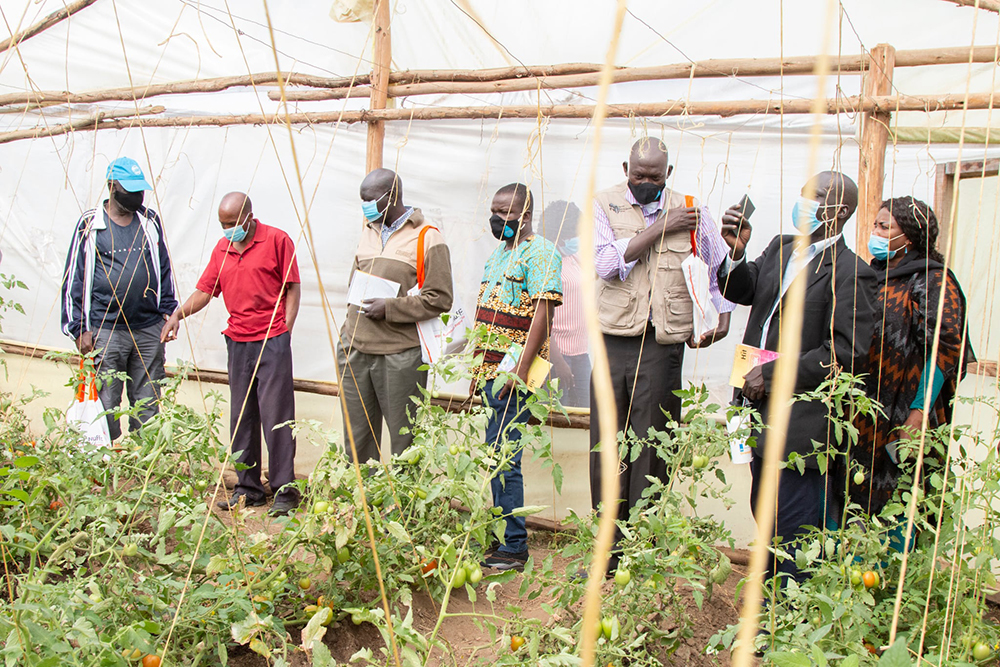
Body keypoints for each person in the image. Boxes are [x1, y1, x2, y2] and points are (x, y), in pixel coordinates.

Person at [717, 170, 877, 584]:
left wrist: (772, 373)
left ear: (838, 210)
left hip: (799, 419)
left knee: (795, 522)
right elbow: (743, 290)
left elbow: (845, 354)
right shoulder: (781, 248)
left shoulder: (850, 272)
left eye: (814, 196)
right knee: (764, 508)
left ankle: (790, 616)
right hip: (752, 402)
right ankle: (773, 602)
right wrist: (735, 253)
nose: (803, 202)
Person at [590, 138, 735, 570]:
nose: (646, 183)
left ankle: (639, 551)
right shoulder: (604, 204)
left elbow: (714, 272)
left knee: (653, 446)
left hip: (663, 345)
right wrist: (660, 226)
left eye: (655, 177)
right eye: (639, 175)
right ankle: (606, 550)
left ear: (668, 174)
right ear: (625, 168)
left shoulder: (693, 211)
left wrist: (721, 315)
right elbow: (604, 263)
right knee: (607, 444)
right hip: (614, 339)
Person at [161, 193, 301, 516]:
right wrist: (177, 314)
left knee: (277, 415)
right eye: (223, 225)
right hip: (238, 341)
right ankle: (248, 487)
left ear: (250, 218)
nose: (227, 231)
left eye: (232, 224)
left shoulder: (278, 240)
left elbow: (293, 286)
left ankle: (285, 490)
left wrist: (285, 331)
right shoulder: (222, 250)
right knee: (242, 416)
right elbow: (205, 291)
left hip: (272, 339)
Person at [855, 196, 973, 517]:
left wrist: (918, 414)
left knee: (898, 498)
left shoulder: (933, 280)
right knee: (854, 496)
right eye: (875, 225)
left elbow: (945, 348)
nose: (875, 232)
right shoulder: (869, 276)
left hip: (905, 411)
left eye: (884, 226)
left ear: (907, 235)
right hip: (864, 410)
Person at [473, 183, 562, 571]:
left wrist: (520, 371)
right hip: (490, 373)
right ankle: (502, 539)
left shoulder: (541, 252)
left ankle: (514, 546)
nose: (496, 219)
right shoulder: (499, 254)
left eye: (504, 212)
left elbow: (543, 314)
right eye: (493, 210)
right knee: (495, 454)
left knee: (506, 457)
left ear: (525, 215)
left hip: (513, 376)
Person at [337, 169, 453, 463]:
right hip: (354, 348)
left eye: (369, 199)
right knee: (357, 438)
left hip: (399, 355)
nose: (364, 205)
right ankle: (364, 504)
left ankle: (401, 507)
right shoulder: (368, 230)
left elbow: (440, 298)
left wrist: (389, 308)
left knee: (405, 440)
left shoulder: (428, 237)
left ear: (390, 197)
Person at [60, 157, 178, 440]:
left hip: (148, 328)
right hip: (105, 329)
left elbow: (163, 267)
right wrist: (78, 328)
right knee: (106, 404)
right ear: (112, 187)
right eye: (130, 190)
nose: (138, 196)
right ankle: (107, 464)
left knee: (148, 402)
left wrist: (169, 311)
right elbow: (74, 278)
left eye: (140, 191)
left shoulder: (150, 222)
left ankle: (143, 462)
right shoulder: (90, 225)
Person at [541, 200, 590, 408]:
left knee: (585, 414)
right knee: (558, 415)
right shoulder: (546, 262)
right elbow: (540, 318)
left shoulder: (573, 258)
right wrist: (558, 361)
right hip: (557, 354)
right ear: (559, 233)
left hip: (580, 352)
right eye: (574, 232)